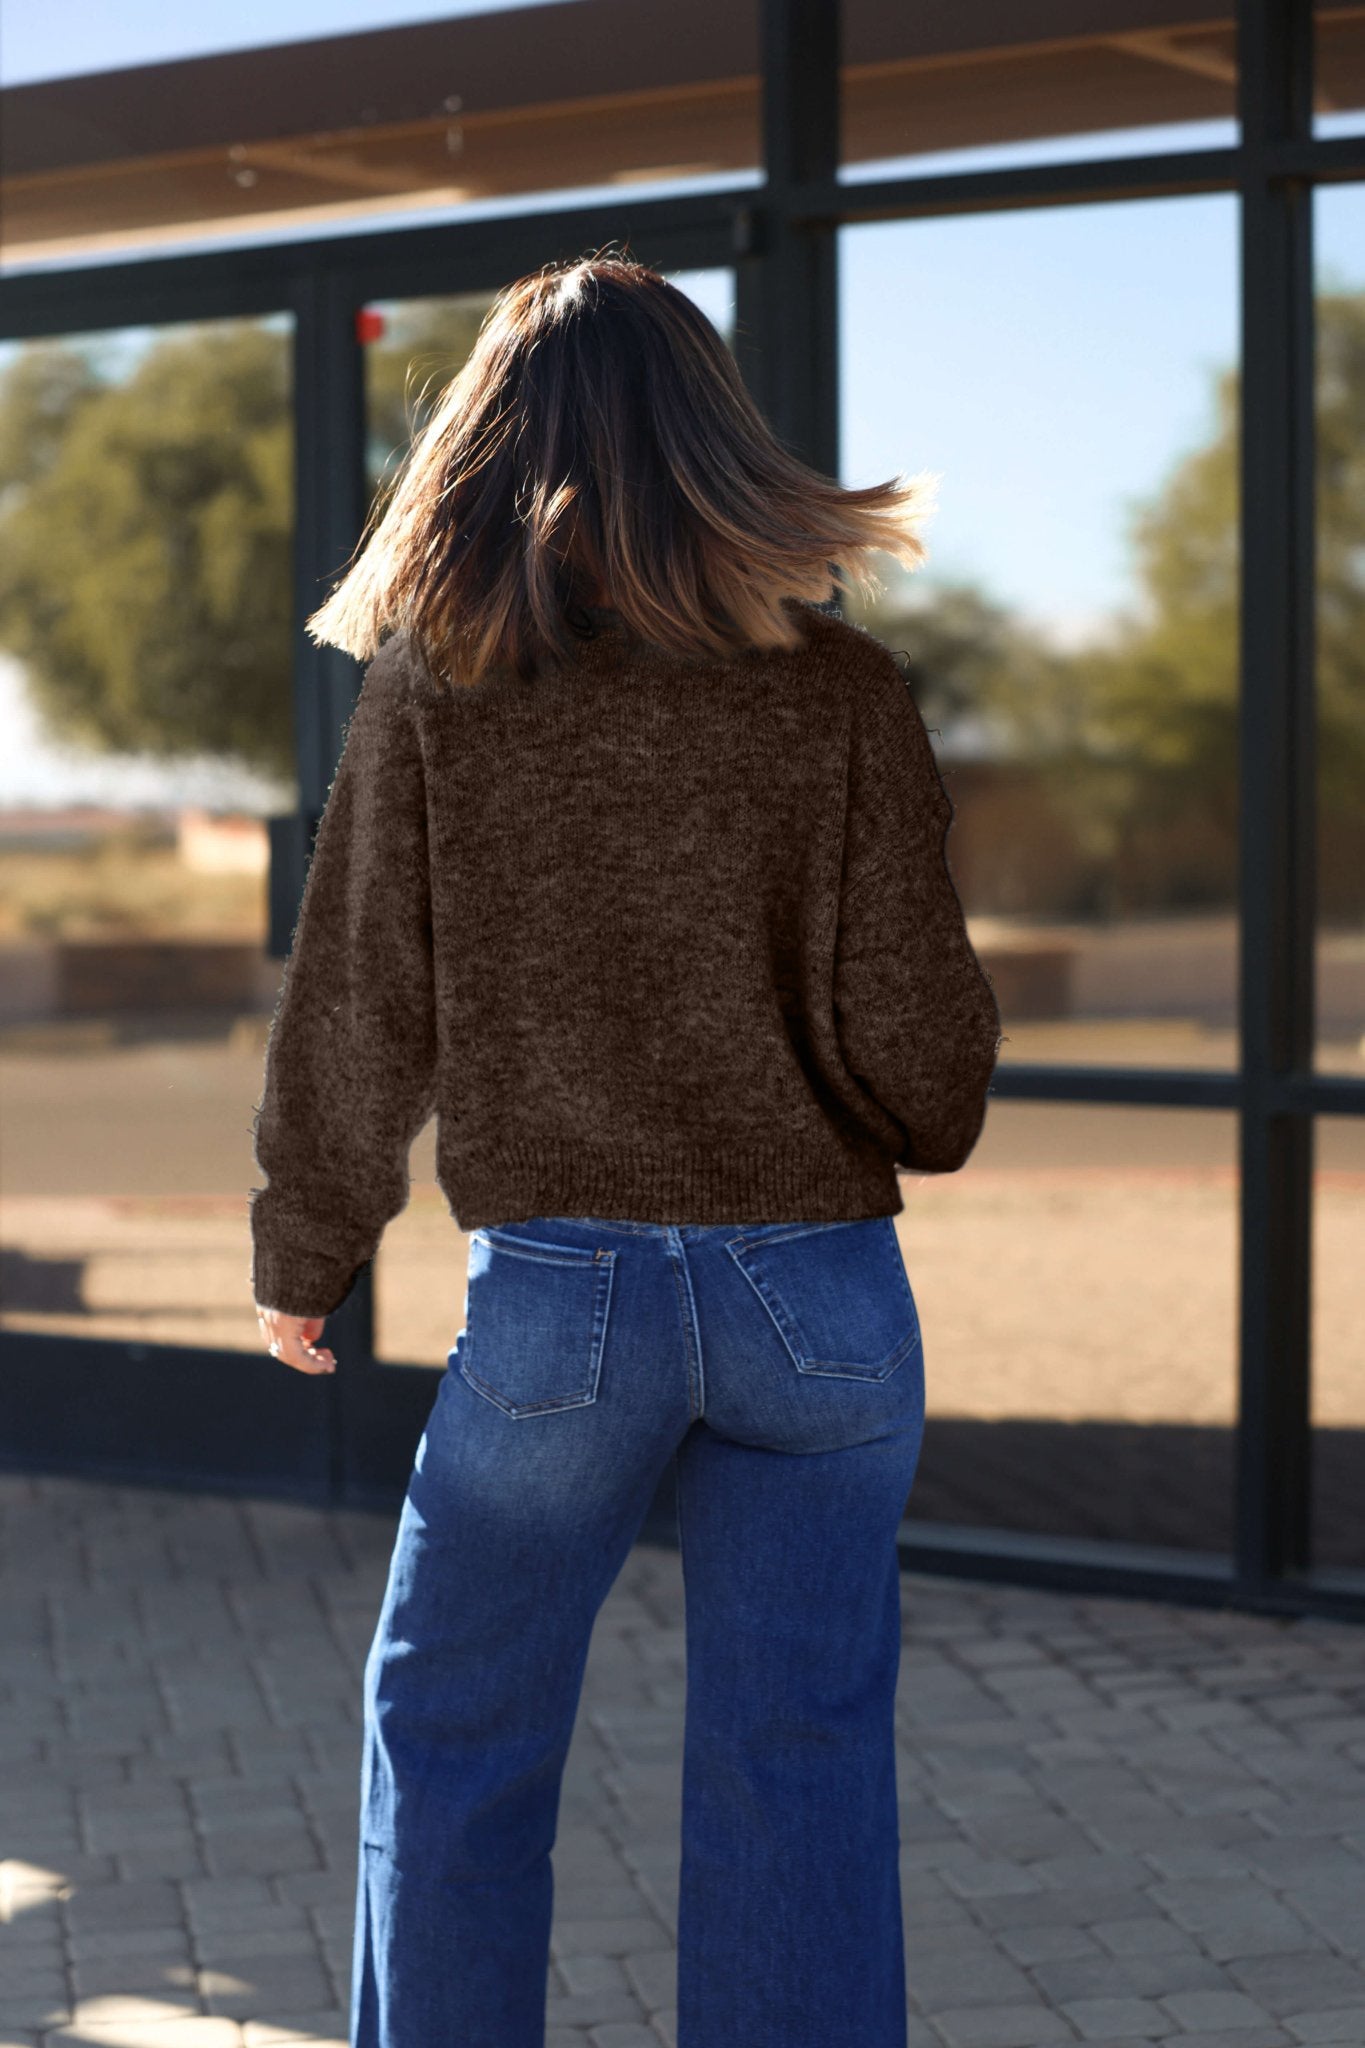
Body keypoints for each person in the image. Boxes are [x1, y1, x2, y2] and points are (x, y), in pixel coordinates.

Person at [249, 247, 1002, 2048]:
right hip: (819, 1302)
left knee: (453, 1737)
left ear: (487, 446)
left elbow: (359, 998)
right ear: (713, 438)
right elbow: (927, 1063)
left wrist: (306, 1247)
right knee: (799, 1757)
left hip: (557, 1312)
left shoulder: (437, 689)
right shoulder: (840, 692)